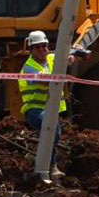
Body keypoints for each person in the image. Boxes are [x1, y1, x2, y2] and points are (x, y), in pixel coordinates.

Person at [19, 30, 68, 167]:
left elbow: (68, 58)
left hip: (50, 109)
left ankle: (46, 165)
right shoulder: (29, 67)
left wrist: (72, 57)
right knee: (51, 127)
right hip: (34, 110)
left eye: (43, 46)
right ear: (31, 50)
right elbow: (46, 81)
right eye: (37, 47)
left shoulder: (53, 59)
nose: (41, 49)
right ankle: (49, 166)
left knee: (54, 134)